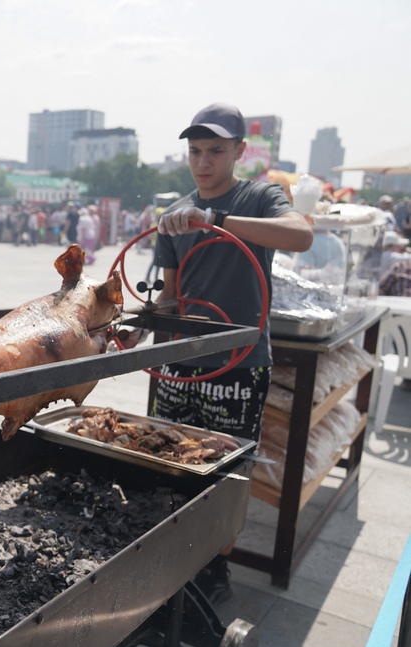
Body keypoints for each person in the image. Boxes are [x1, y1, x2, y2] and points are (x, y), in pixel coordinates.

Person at [150, 103, 313, 603]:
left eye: (216, 151)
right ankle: (163, 556)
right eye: (195, 152)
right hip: (180, 359)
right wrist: (137, 326)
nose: (203, 162)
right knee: (162, 455)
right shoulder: (175, 216)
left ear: (240, 151)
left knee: (226, 467)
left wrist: (217, 218)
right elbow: (171, 295)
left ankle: (215, 566)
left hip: (239, 363)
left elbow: (301, 234)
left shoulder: (259, 196)